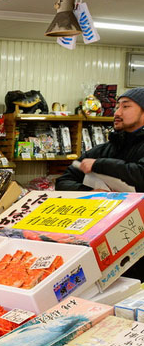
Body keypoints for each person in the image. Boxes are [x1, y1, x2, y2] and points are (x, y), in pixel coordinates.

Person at [57, 87, 144, 279]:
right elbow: (63, 181)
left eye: (126, 106)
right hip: (100, 237)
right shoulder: (101, 149)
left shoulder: (100, 158)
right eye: (117, 107)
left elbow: (140, 173)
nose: (117, 113)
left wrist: (100, 165)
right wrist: (92, 193)